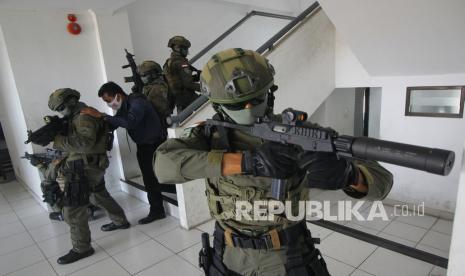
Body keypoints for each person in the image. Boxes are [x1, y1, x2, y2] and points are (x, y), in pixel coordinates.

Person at [154, 48, 393, 276]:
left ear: (270, 92)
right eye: (238, 104)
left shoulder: (301, 133)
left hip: (286, 254)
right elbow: (163, 166)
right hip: (228, 253)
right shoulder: (209, 135)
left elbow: (382, 182)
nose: (249, 107)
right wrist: (248, 162)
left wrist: (351, 176)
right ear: (217, 105)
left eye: (256, 98)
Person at [48, 88, 130, 264]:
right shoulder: (78, 115)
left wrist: (57, 140)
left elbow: (84, 143)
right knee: (98, 194)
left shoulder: (83, 116)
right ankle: (120, 221)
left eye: (61, 107)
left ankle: (82, 248)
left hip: (84, 166)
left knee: (73, 208)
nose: (60, 112)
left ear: (70, 102)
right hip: (88, 164)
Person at [81, 82, 166, 224]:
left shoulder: (138, 103)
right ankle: (157, 210)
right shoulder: (124, 107)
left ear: (118, 95)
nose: (109, 104)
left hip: (156, 145)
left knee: (155, 178)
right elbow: (113, 124)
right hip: (144, 147)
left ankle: (158, 210)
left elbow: (130, 122)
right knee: (150, 179)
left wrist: (102, 115)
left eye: (108, 100)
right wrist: (93, 122)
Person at [163, 35, 201, 112]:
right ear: (178, 48)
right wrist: (205, 88)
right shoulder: (180, 63)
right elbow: (188, 84)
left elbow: (178, 80)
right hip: (188, 98)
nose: (187, 51)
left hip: (179, 100)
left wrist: (195, 77)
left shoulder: (169, 62)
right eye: (185, 48)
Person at [138, 60, 174, 135]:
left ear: (153, 74)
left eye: (144, 75)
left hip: (159, 126)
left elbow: (154, 110)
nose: (142, 78)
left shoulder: (157, 88)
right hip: (157, 126)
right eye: (140, 75)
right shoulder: (151, 87)